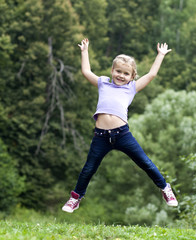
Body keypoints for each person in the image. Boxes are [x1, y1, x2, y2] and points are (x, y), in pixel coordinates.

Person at [62, 38, 178, 213]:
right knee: (89, 168)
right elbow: (86, 71)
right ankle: (75, 198)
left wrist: (160, 55)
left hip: (122, 134)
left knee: (145, 162)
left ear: (132, 76)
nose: (121, 76)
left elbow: (151, 75)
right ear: (112, 70)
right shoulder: (103, 83)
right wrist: (84, 51)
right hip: (100, 136)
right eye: (118, 71)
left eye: (125, 73)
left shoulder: (131, 88)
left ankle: (165, 188)